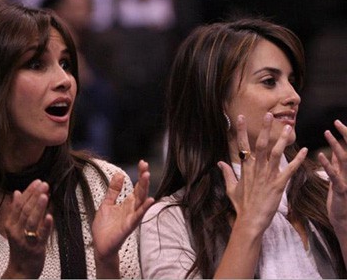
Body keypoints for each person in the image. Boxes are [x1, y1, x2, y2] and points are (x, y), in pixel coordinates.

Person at [0, 0, 154, 278]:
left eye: (66, 63)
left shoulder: (101, 185)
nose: (65, 80)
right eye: (36, 64)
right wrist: (19, 271)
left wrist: (106, 263)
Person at [140, 18, 347, 278]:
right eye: (269, 81)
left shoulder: (329, 190)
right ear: (218, 101)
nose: (293, 95)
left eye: (291, 80)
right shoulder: (168, 221)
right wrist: (249, 225)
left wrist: (344, 225)